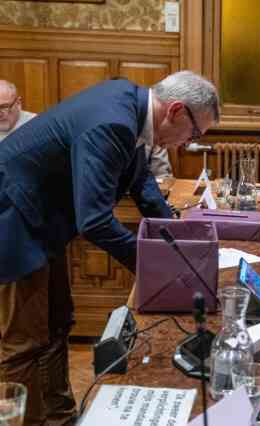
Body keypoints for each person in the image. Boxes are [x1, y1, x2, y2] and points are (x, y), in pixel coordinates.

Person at [0, 71, 220, 425]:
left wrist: (179, 240)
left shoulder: (131, 105)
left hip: (41, 220)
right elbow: (96, 222)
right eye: (194, 134)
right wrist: (159, 273)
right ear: (176, 111)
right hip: (12, 219)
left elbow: (142, 182)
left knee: (58, 325)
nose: (187, 143)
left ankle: (61, 418)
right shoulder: (113, 122)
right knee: (24, 343)